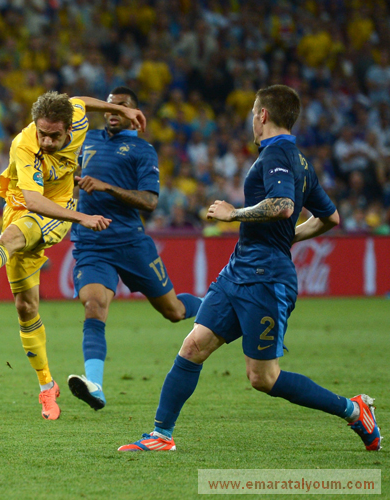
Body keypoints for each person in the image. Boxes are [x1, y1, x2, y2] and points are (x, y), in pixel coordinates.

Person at [119, 85, 381, 452]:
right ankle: (161, 435)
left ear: (262, 115)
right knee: (193, 346)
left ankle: (353, 410)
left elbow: (283, 206)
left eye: (253, 113)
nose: (251, 120)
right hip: (239, 270)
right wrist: (287, 238)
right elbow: (330, 217)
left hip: (266, 280)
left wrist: (234, 214)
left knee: (263, 377)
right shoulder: (299, 160)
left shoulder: (277, 154)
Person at [0, 91, 146, 420]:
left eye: (55, 136)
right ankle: (47, 387)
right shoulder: (24, 144)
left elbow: (78, 100)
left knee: (11, 241)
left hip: (59, 210)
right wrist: (85, 218)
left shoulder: (78, 119)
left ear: (69, 128)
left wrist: (118, 109)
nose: (47, 142)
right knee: (26, 307)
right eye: (43, 134)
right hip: (21, 208)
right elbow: (32, 200)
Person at [67, 87, 203, 411]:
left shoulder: (143, 151)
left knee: (174, 311)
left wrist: (106, 187)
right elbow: (71, 103)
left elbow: (150, 201)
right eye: (109, 106)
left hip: (130, 241)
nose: (113, 111)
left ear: (134, 113)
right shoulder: (87, 139)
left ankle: (223, 305)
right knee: (94, 305)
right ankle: (95, 386)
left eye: (122, 106)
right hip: (91, 242)